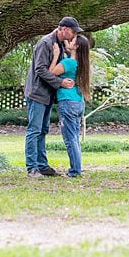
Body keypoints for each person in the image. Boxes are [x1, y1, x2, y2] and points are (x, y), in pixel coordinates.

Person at [23, 16, 80, 178]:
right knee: (34, 130)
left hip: (48, 93)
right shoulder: (46, 43)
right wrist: (60, 82)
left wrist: (70, 52)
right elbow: (40, 70)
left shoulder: (60, 44)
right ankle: (32, 168)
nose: (74, 35)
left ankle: (42, 165)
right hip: (37, 92)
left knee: (43, 130)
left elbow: (62, 66)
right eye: (73, 31)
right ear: (64, 29)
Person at [49, 32, 91, 178]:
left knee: (69, 138)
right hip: (78, 102)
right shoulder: (81, 63)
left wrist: (56, 54)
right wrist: (67, 50)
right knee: (75, 137)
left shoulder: (68, 63)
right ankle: (77, 167)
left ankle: (75, 171)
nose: (68, 41)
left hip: (67, 102)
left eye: (71, 40)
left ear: (76, 46)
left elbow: (50, 73)